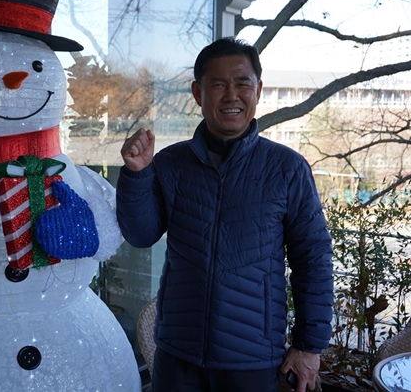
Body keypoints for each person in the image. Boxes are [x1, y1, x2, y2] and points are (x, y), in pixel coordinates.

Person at [116, 37, 333, 392]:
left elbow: (313, 259)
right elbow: (141, 235)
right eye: (217, 84)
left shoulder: (286, 168)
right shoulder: (171, 163)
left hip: (253, 358)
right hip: (177, 354)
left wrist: (309, 345)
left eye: (242, 83)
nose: (231, 95)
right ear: (198, 93)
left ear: (258, 89)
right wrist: (138, 175)